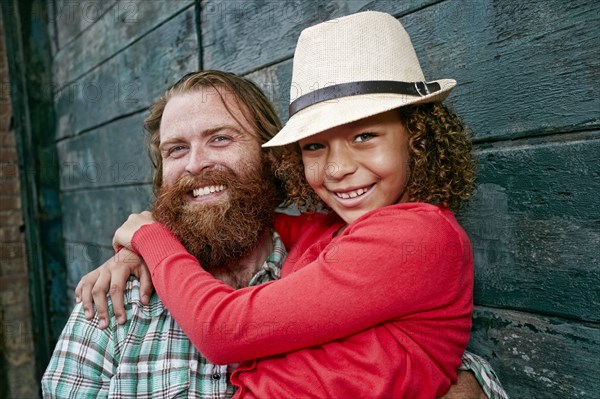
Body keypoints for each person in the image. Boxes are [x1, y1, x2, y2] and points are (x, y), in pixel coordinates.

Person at [102, 11, 504, 398]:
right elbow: (246, 218)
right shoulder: (329, 231)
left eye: (364, 136)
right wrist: (139, 242)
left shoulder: (417, 235)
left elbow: (221, 330)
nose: (338, 167)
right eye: (314, 146)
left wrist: (151, 237)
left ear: (418, 137)